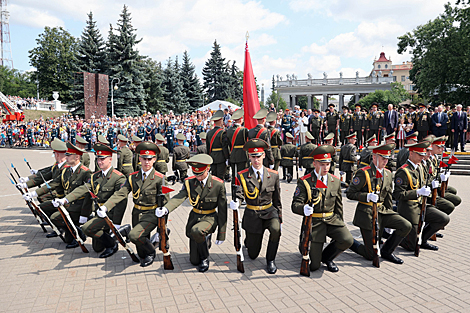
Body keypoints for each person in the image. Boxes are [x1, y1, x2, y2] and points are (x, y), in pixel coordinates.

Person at [55, 143, 128, 258]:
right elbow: (83, 189)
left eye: (103, 159)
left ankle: (112, 244)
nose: (99, 162)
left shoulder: (119, 177)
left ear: (110, 159)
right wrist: (65, 200)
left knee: (87, 228)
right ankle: (114, 235)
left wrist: (117, 222)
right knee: (97, 248)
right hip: (99, 213)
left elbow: (122, 200)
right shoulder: (95, 176)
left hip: (110, 214)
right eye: (98, 159)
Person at [156, 154, 227, 272]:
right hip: (195, 216)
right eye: (196, 174)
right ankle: (204, 240)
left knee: (197, 231)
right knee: (193, 260)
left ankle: (205, 258)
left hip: (210, 217)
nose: (198, 177)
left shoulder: (218, 184)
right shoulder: (189, 182)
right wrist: (166, 208)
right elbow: (180, 197)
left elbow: (223, 210)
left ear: (208, 169)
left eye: (201, 174)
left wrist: (222, 233)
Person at [101, 142, 167, 267]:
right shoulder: (132, 177)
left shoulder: (160, 178)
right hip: (136, 213)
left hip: (152, 213)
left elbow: (165, 201)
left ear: (154, 160)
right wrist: (106, 206)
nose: (146, 162)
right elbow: (121, 193)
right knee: (140, 249)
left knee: (134, 235)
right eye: (144, 159)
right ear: (139, 159)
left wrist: (162, 223)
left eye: (149, 159)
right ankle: (147, 251)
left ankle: (151, 252)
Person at [291, 144, 353, 272]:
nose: (325, 167)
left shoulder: (335, 181)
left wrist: (340, 224)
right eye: (322, 164)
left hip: (331, 219)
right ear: (314, 164)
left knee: (347, 239)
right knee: (314, 266)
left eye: (328, 164)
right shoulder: (305, 181)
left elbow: (338, 205)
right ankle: (305, 245)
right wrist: (304, 209)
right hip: (315, 222)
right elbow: (295, 205)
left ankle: (327, 257)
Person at [347, 144, 412, 264]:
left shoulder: (387, 173)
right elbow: (350, 193)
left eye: (387, 159)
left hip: (382, 211)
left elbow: (387, 196)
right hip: (367, 213)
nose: (386, 161)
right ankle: (349, 242)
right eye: (383, 158)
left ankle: (387, 251)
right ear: (374, 157)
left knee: (406, 225)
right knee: (370, 254)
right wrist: (366, 196)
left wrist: (390, 214)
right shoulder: (363, 173)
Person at [23, 142, 92, 249]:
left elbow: (88, 195)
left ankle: (79, 231)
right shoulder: (66, 171)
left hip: (79, 205)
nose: (67, 157)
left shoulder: (86, 173)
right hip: (67, 203)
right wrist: (32, 193)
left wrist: (85, 214)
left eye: (69, 155)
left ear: (77, 157)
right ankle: (72, 229)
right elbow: (52, 184)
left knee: (55, 218)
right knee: (42, 209)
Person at [233, 139, 282, 274]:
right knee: (253, 254)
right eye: (253, 156)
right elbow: (240, 193)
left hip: (269, 211)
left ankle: (270, 260)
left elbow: (277, 199)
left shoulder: (273, 175)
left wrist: (280, 217)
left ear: (264, 155)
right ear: (249, 157)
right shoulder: (242, 175)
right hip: (252, 215)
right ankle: (248, 242)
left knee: (276, 230)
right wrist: (237, 201)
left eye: (258, 156)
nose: (256, 160)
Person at [393, 141, 450, 252]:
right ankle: (404, 240)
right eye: (419, 154)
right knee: (412, 247)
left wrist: (432, 184)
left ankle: (423, 240)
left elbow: (424, 183)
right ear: (411, 154)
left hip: (421, 204)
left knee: (443, 219)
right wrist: (418, 192)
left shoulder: (420, 167)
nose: (422, 157)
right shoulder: (403, 171)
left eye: (423, 154)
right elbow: (398, 195)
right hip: (409, 208)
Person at [227, 109, 249, 183]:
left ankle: (234, 191)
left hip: (233, 154)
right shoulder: (244, 130)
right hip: (242, 154)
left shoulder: (229, 130)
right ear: (240, 119)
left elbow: (228, 145)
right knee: (242, 174)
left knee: (234, 174)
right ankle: (241, 191)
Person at [206, 110, 229, 180]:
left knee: (213, 176)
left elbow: (207, 147)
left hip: (212, 157)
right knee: (220, 177)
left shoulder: (209, 133)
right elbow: (225, 147)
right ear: (221, 120)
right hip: (221, 157)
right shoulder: (223, 133)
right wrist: (227, 157)